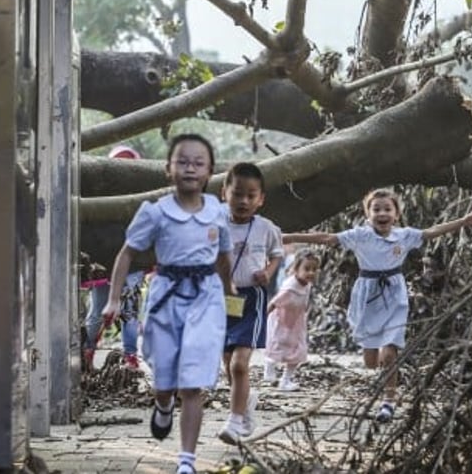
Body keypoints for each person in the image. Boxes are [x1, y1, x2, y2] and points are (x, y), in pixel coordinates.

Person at [283, 189, 472, 423]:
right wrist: (291, 237)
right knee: (371, 361)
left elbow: (431, 232)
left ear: (397, 214)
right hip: (367, 296)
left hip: (395, 296)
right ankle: (382, 375)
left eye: (387, 209)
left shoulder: (404, 236)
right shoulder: (360, 235)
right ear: (367, 214)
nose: (382, 213)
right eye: (376, 209)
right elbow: (327, 238)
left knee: (389, 353)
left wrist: (464, 221)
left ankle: (389, 401)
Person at [102, 133, 235, 474]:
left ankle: (186, 460)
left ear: (209, 172)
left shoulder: (219, 214)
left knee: (193, 381)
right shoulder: (155, 213)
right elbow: (128, 252)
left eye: (198, 163)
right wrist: (114, 299)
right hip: (165, 296)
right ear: (168, 169)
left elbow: (223, 257)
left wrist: (230, 290)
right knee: (165, 378)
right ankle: (163, 405)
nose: (190, 168)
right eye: (183, 161)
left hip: (206, 298)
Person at [218, 162, 284, 444]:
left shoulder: (266, 228)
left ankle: (234, 423)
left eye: (251, 195)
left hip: (251, 299)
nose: (243, 201)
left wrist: (267, 273)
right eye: (237, 194)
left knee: (240, 365)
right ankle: (246, 402)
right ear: (225, 193)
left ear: (261, 199)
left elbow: (277, 254)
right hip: (220, 299)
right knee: (227, 363)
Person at [82, 145, 146, 370]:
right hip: (103, 266)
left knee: (129, 311)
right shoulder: (96, 194)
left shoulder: (143, 195)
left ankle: (130, 357)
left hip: (133, 265)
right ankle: (87, 351)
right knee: (98, 312)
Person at [263, 249, 320, 391]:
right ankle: (269, 367)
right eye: (307, 269)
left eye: (314, 269)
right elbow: (273, 303)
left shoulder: (307, 285)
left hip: (297, 323)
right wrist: (261, 319)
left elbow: (306, 301)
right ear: (296, 269)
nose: (311, 273)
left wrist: (306, 311)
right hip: (281, 322)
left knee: (298, 351)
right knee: (277, 346)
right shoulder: (289, 288)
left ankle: (286, 381)